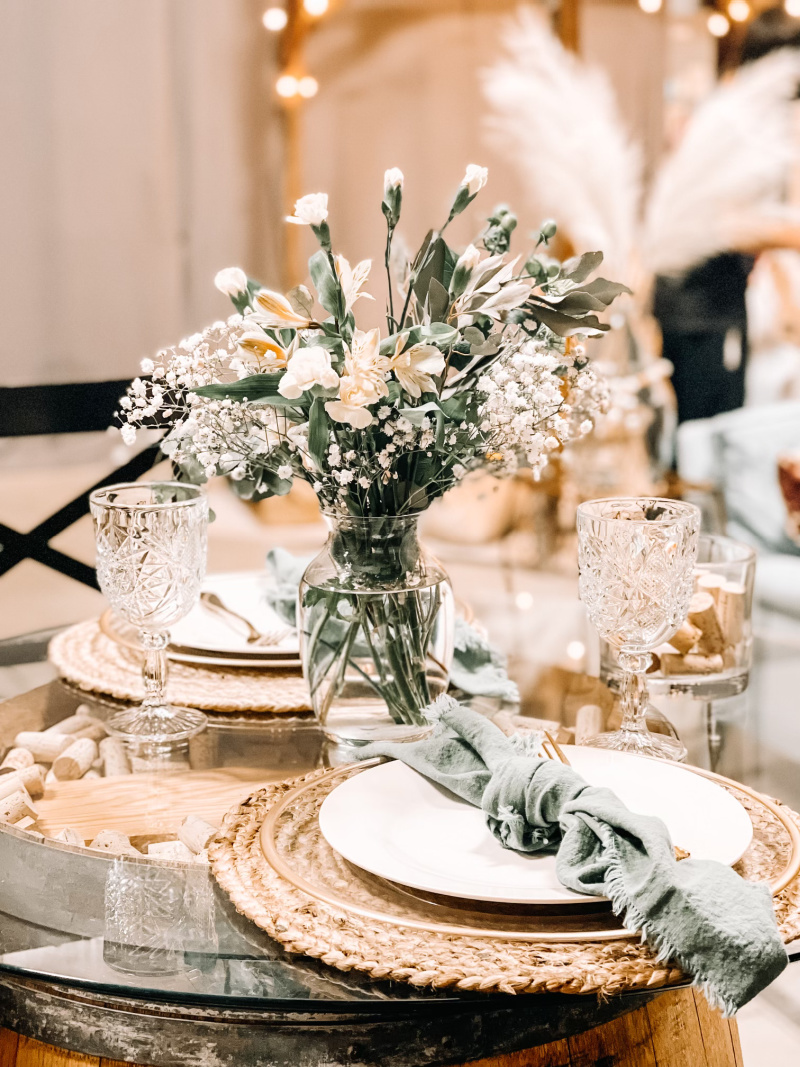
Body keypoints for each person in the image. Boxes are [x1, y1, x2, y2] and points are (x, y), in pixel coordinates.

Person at [653, 7, 800, 425]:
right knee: (711, 426)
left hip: (699, 299)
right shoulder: (738, 122)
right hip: (701, 303)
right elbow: (730, 225)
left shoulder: (727, 111)